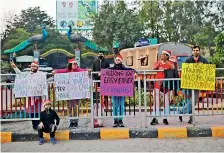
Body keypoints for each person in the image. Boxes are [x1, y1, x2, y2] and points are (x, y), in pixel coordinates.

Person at [100, 53, 137, 127]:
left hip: (122, 91)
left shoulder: (124, 68)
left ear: (121, 61)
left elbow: (131, 70)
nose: (117, 61)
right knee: (115, 105)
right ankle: (115, 120)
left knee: (121, 105)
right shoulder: (112, 68)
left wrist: (135, 72)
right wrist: (101, 72)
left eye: (118, 60)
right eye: (116, 60)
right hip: (114, 91)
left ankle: (120, 120)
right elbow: (106, 70)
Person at [52, 58, 88, 128]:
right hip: (69, 93)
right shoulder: (67, 70)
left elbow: (85, 71)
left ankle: (76, 121)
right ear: (70, 65)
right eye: (73, 64)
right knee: (70, 107)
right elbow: (61, 71)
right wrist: (55, 71)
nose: (75, 65)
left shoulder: (79, 70)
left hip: (77, 93)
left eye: (76, 64)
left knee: (76, 107)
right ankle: (71, 121)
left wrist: (88, 71)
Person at [179, 45, 209, 124]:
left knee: (194, 101)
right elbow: (184, 69)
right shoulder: (188, 60)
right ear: (192, 51)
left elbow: (208, 70)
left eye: (197, 50)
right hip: (188, 84)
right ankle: (191, 118)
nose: (195, 51)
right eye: (194, 50)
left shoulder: (204, 60)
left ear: (199, 51)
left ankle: (181, 111)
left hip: (197, 84)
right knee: (188, 101)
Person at [11, 60, 44, 130]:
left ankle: (40, 125)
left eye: (34, 66)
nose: (33, 67)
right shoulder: (27, 74)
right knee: (32, 112)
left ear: (37, 67)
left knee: (39, 111)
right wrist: (15, 67)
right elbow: (20, 74)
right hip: (30, 96)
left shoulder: (41, 75)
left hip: (38, 96)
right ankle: (35, 126)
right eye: (32, 66)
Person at [150, 50, 175, 125]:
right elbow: (153, 68)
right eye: (162, 54)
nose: (162, 56)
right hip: (157, 86)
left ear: (167, 56)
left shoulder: (170, 63)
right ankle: (155, 118)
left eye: (164, 55)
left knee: (166, 103)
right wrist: (159, 62)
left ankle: (165, 118)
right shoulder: (158, 62)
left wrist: (166, 61)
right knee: (156, 103)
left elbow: (173, 67)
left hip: (166, 87)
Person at [92, 51, 110, 127]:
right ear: (97, 55)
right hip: (97, 81)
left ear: (103, 55)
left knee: (105, 94)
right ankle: (99, 105)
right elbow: (93, 71)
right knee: (98, 94)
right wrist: (95, 78)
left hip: (104, 80)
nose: (100, 55)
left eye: (101, 54)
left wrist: (103, 73)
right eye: (99, 54)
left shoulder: (106, 62)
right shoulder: (95, 62)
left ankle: (106, 106)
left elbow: (109, 70)